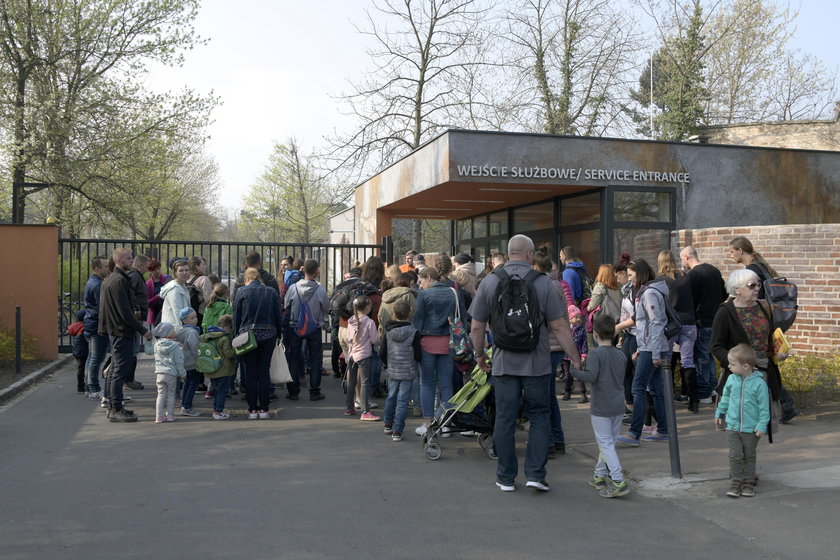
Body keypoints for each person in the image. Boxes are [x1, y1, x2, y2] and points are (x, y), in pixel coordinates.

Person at [470, 234, 581, 492]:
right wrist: (574, 357)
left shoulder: (490, 281)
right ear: (530, 255)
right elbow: (560, 326)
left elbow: (476, 326)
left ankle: (506, 477)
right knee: (540, 416)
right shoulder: (544, 284)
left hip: (503, 363)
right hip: (537, 363)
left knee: (505, 418)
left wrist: (479, 355)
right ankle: (535, 474)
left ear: (509, 254)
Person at [711, 268, 795, 426]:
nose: (757, 288)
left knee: (763, 425)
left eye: (758, 284)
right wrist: (736, 363)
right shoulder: (725, 311)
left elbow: (769, 337)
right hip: (739, 376)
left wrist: (778, 352)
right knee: (741, 424)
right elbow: (716, 346)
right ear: (737, 289)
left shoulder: (763, 306)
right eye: (751, 285)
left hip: (765, 371)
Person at [570, 314, 631, 498]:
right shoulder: (621, 355)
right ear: (614, 333)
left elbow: (591, 377)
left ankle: (618, 479)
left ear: (595, 334)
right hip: (617, 405)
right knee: (608, 443)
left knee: (605, 444)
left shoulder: (595, 354)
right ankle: (599, 474)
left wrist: (574, 371)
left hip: (601, 407)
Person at [617, 258, 670, 446]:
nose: (629, 279)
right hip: (650, 347)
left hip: (653, 348)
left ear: (640, 274)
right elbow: (647, 324)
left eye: (631, 276)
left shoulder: (648, 294)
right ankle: (663, 429)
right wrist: (642, 347)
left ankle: (634, 433)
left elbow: (656, 323)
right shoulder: (647, 292)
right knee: (655, 389)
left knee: (638, 388)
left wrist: (653, 352)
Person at [98, 248, 152, 422]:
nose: (132, 261)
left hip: (116, 330)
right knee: (119, 370)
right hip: (121, 331)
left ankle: (116, 406)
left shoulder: (112, 279)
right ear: (120, 261)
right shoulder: (119, 280)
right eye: (129, 258)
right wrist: (143, 329)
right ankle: (115, 409)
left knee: (116, 369)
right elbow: (124, 312)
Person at [411, 266, 466, 435]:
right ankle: (446, 424)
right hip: (448, 343)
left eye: (421, 281)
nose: (420, 285)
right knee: (446, 383)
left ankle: (428, 424)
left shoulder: (424, 295)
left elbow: (418, 321)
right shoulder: (454, 292)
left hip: (427, 343)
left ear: (428, 277)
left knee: (427, 383)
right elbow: (462, 318)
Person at [715, 343, 770, 498]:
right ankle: (735, 482)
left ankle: (748, 483)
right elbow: (725, 398)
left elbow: (764, 408)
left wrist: (761, 426)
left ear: (745, 366)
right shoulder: (732, 379)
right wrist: (719, 412)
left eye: (732, 364)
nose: (729, 366)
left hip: (751, 429)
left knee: (749, 455)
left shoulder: (759, 384)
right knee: (735, 455)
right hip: (732, 426)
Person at [532, 248, 570, 455]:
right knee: (549, 396)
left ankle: (548, 442)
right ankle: (557, 439)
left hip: (546, 345)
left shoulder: (544, 286)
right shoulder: (557, 285)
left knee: (544, 397)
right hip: (556, 345)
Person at [234, 267, 283, 420]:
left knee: (250, 372)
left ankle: (252, 409)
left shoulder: (241, 292)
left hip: (248, 336)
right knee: (264, 371)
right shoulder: (271, 291)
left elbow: (236, 315)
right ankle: (264, 408)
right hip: (268, 334)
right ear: (259, 278)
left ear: (246, 279)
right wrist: (279, 334)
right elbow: (278, 315)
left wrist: (236, 335)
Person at [657, 250, 698, 411]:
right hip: (689, 322)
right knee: (688, 361)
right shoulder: (685, 276)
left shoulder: (661, 280)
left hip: (671, 324)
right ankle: (693, 401)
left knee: (666, 360)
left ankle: (666, 398)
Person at [284, 259, 330, 401]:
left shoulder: (293, 288)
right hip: (314, 327)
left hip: (295, 326)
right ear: (316, 271)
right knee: (315, 359)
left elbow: (286, 304)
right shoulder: (320, 289)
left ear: (303, 270)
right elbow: (326, 308)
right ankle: (314, 392)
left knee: (293, 358)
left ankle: (293, 391)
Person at [380, 299, 421, 441]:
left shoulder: (388, 332)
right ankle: (398, 430)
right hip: (408, 370)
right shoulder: (414, 332)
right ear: (409, 314)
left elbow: (382, 352)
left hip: (393, 370)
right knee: (402, 401)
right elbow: (417, 353)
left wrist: (387, 364)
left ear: (393, 314)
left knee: (391, 396)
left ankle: (387, 423)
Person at [345, 295, 381, 421]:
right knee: (365, 383)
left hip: (352, 355)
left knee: (352, 382)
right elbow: (374, 340)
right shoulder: (369, 322)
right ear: (367, 307)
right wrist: (381, 342)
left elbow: (348, 339)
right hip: (364, 355)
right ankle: (365, 411)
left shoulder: (351, 321)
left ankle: (349, 407)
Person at [199, 314, 237, 420]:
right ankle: (218, 411)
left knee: (216, 391)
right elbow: (229, 353)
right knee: (222, 391)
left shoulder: (208, 336)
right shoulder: (223, 338)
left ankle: (216, 409)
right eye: (230, 328)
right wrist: (237, 349)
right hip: (223, 370)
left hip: (211, 369)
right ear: (227, 326)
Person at [83, 256, 110, 399]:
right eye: (106, 266)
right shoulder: (98, 285)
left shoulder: (93, 281)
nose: (108, 268)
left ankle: (89, 387)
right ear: (97, 268)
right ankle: (93, 388)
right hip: (97, 325)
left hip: (91, 323)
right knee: (96, 358)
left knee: (91, 357)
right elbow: (102, 307)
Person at [125, 253, 150, 391]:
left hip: (137, 317)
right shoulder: (135, 276)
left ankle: (129, 378)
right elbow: (131, 294)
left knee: (133, 349)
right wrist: (136, 308)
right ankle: (129, 379)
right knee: (133, 350)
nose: (147, 269)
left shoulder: (136, 276)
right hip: (135, 318)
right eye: (146, 266)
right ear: (140, 265)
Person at [152, 322, 186, 423]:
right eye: (173, 330)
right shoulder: (175, 346)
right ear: (168, 333)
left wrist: (149, 342)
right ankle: (170, 415)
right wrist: (182, 373)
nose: (175, 331)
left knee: (161, 394)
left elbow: (148, 351)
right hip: (171, 374)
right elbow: (179, 361)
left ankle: (159, 416)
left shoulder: (156, 344)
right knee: (171, 395)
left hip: (159, 374)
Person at [176, 307, 201, 417]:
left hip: (184, 363)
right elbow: (195, 348)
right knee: (192, 385)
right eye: (192, 318)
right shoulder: (192, 332)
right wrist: (200, 359)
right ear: (184, 320)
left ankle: (184, 404)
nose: (195, 320)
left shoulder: (181, 331)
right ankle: (187, 406)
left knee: (187, 384)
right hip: (192, 363)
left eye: (195, 317)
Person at [563, 305, 589, 403]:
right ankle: (567, 390)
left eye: (580, 317)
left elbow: (584, 343)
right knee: (567, 375)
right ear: (570, 319)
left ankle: (583, 393)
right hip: (566, 356)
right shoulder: (565, 330)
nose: (578, 319)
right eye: (576, 317)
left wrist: (584, 354)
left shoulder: (581, 330)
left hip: (577, 356)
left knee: (579, 374)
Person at [160, 260, 191, 329]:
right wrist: (184, 330)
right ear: (175, 273)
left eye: (186, 270)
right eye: (181, 270)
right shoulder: (174, 289)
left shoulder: (182, 285)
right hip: (174, 329)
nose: (184, 273)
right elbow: (178, 313)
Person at [186, 256, 213, 324]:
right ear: (196, 266)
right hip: (200, 313)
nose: (205, 267)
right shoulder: (203, 279)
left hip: (187, 314)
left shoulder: (186, 279)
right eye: (203, 264)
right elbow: (209, 300)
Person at [68, 310, 88, 393]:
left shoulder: (74, 326)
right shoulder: (84, 327)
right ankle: (81, 386)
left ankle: (81, 385)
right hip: (84, 350)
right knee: (83, 368)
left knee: (80, 368)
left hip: (77, 351)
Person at [145, 259, 170, 325]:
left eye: (159, 269)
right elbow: (148, 304)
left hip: (167, 311)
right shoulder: (148, 284)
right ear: (150, 271)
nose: (158, 271)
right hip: (156, 314)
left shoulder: (166, 279)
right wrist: (158, 296)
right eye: (154, 270)